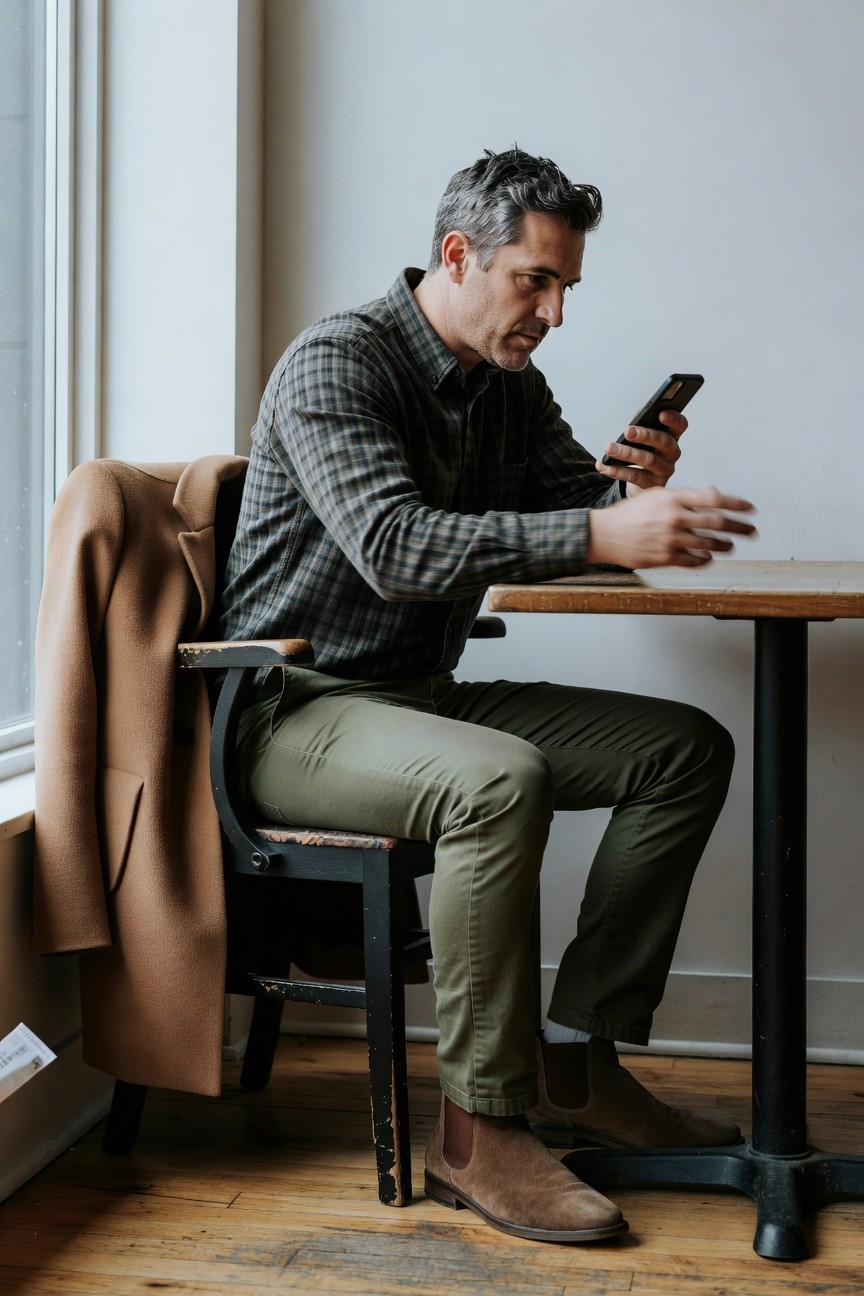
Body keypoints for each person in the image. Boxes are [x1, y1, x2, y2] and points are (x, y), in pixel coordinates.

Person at [220, 147, 756, 1244]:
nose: (554, 312)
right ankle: (477, 1130)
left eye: (566, 288)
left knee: (684, 749)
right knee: (499, 783)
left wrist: (623, 490)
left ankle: (577, 1062)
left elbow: (573, 514)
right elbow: (395, 547)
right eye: (535, 282)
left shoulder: (509, 389)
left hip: (414, 697)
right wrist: (600, 528)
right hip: (289, 709)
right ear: (458, 255)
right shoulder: (339, 361)